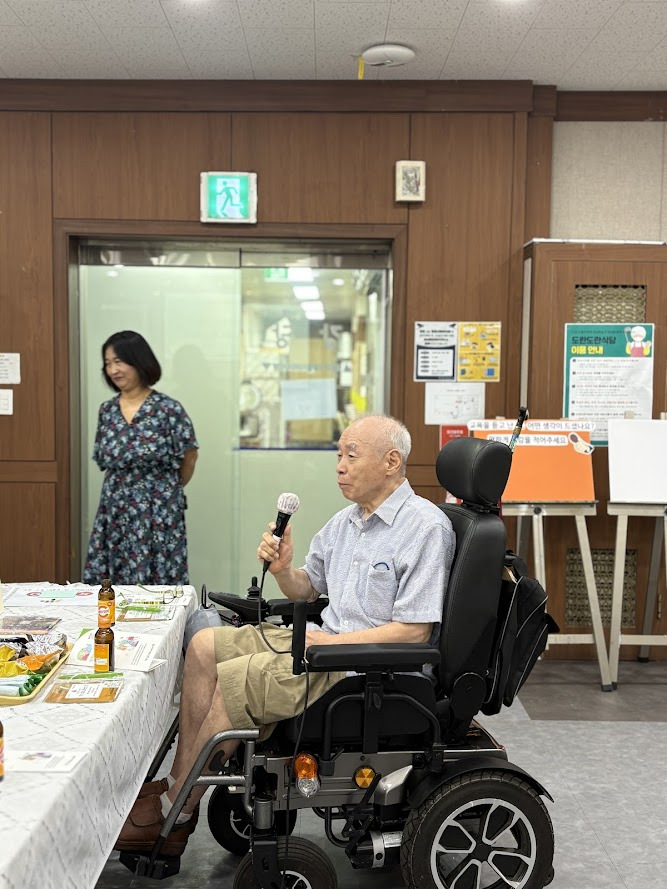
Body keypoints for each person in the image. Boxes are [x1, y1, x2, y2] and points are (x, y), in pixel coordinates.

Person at [113, 415, 455, 857]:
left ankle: (174, 812)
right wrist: (282, 570)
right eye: (339, 455)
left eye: (351, 455)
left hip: (365, 668)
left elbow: (414, 632)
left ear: (392, 462)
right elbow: (306, 590)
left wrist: (329, 644)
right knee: (203, 646)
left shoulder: (425, 528)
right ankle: (178, 789)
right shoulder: (346, 522)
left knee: (236, 680)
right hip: (323, 643)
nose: (340, 466)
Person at [83, 330, 199, 586]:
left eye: (119, 361)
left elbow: (190, 456)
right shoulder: (107, 410)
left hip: (159, 509)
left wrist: (167, 490)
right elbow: (104, 458)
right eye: (108, 363)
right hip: (115, 508)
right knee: (112, 580)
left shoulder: (168, 409)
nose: (113, 370)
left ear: (139, 361)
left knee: (159, 581)